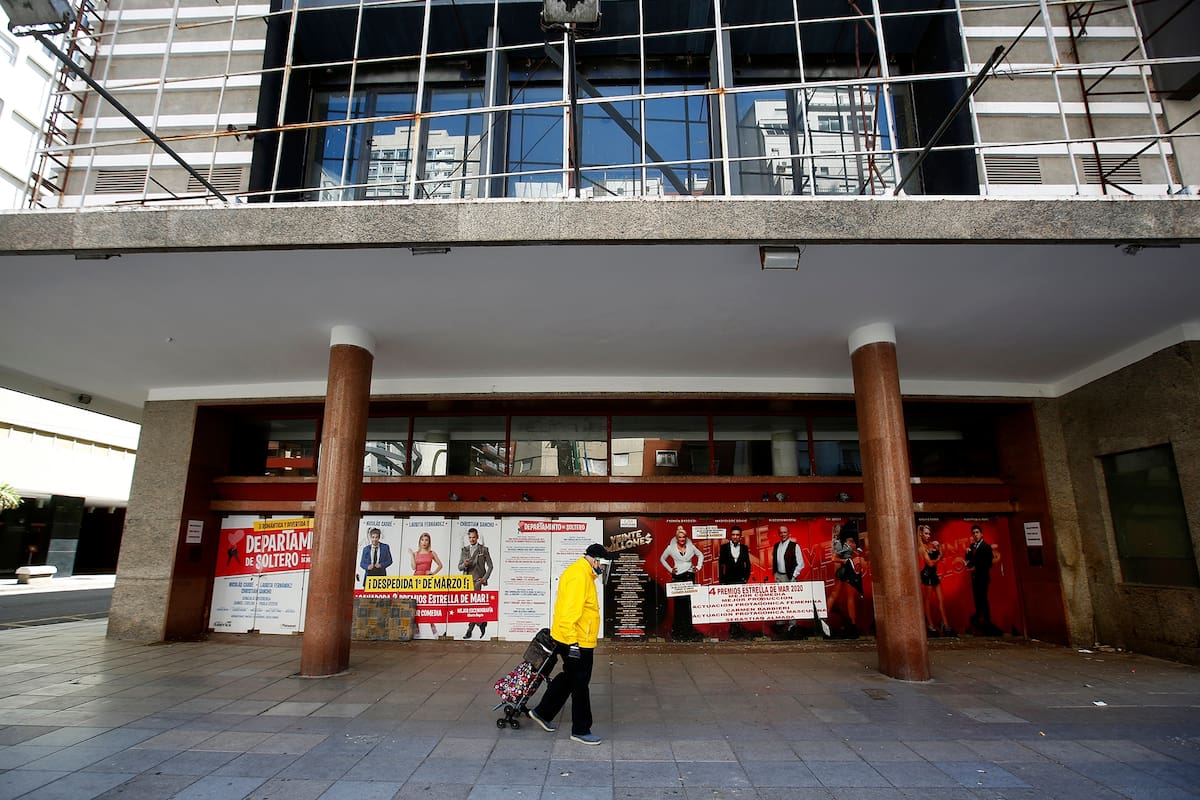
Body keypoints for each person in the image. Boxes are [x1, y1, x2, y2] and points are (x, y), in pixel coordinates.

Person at [528, 542, 612, 746]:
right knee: (580, 684)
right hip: (576, 640)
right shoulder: (579, 576)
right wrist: (573, 643)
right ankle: (581, 730)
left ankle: (542, 712)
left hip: (574, 637)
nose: (603, 569)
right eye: (602, 564)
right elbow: (568, 614)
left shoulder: (582, 573)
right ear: (593, 560)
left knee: (570, 677)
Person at [659, 525, 704, 641]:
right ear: (676, 538)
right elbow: (662, 559)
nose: (682, 540)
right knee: (678, 605)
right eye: (680, 537)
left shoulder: (691, 546)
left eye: (684, 537)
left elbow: (701, 555)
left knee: (688, 604)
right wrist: (670, 569)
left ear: (686, 538)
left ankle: (688, 631)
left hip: (689, 575)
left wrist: (698, 567)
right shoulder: (670, 547)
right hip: (678, 576)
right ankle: (678, 632)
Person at [917, 524, 954, 637]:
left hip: (933, 575)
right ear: (921, 534)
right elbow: (930, 563)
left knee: (940, 600)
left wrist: (939, 549)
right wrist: (939, 555)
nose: (928, 536)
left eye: (929, 533)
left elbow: (939, 558)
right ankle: (931, 625)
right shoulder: (921, 547)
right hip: (926, 575)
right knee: (927, 602)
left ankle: (945, 625)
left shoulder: (931, 545)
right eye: (926, 533)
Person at [964, 525, 1001, 635]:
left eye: (977, 532)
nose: (975, 535)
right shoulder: (972, 546)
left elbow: (988, 563)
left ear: (981, 534)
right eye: (973, 533)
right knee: (977, 599)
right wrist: (967, 554)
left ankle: (987, 622)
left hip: (983, 577)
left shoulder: (986, 547)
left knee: (983, 599)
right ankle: (980, 623)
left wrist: (976, 566)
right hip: (975, 577)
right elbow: (969, 561)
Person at [828, 523, 864, 637]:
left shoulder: (838, 542)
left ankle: (825, 619)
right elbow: (834, 558)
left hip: (845, 570)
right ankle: (852, 625)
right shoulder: (839, 543)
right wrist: (848, 561)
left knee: (841, 595)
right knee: (846, 597)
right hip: (845, 570)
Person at [458, 527, 494, 639]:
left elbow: (490, 566)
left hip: (477, 581)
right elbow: (459, 567)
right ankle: (481, 623)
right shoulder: (464, 550)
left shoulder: (484, 550)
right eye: (470, 537)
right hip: (466, 582)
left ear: (477, 537)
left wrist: (484, 578)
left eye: (474, 537)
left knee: (473, 606)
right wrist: (465, 564)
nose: (472, 539)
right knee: (470, 606)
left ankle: (469, 630)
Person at [770, 524, 806, 637]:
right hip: (779, 576)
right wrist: (775, 574)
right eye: (780, 532)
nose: (782, 534)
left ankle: (792, 625)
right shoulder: (776, 545)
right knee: (780, 601)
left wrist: (794, 577)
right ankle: (780, 623)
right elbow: (776, 561)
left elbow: (801, 563)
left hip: (790, 577)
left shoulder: (794, 546)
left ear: (788, 533)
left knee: (791, 602)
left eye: (784, 532)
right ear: (778, 534)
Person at [718, 525, 751, 638]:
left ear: (740, 536)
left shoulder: (744, 548)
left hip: (740, 580)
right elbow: (720, 565)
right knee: (730, 604)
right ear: (730, 536)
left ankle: (737, 627)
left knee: (739, 604)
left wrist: (745, 579)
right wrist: (721, 580)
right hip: (728, 579)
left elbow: (748, 565)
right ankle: (733, 628)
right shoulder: (724, 547)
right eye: (733, 535)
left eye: (737, 535)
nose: (735, 537)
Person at [410, 532, 443, 637]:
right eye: (422, 540)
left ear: (429, 542)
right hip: (416, 580)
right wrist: (411, 555)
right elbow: (413, 567)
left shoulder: (432, 553)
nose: (424, 542)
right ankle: (416, 629)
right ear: (419, 541)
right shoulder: (416, 553)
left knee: (428, 604)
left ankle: (433, 628)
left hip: (427, 581)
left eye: (426, 540)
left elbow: (440, 565)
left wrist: (432, 573)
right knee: (416, 605)